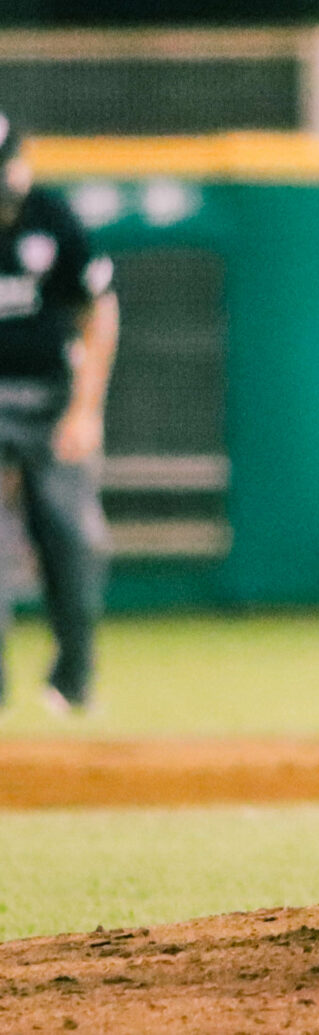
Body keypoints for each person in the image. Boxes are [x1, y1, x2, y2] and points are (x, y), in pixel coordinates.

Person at [0, 110, 117, 715]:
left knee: (73, 542)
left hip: (51, 403)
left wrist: (85, 410)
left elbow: (100, 309)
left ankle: (74, 681)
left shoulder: (52, 217)